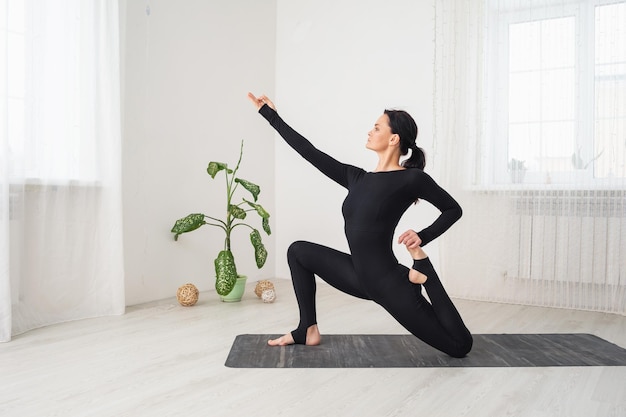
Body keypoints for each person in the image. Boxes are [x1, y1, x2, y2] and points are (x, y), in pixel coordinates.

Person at [247, 93, 473, 358]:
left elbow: (452, 210)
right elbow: (309, 152)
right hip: (357, 275)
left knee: (459, 347)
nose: (369, 131)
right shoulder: (355, 178)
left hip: (388, 284)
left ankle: (425, 274)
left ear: (393, 138)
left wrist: (422, 236)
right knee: (298, 252)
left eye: (377, 127)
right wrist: (271, 115)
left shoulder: (412, 179)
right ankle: (307, 329)